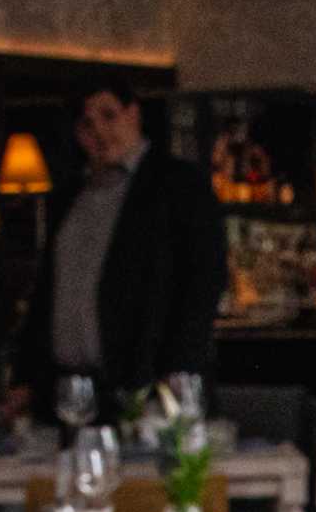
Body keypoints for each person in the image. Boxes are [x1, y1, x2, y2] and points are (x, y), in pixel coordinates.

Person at [12, 79, 229, 419]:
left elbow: (205, 280)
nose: (99, 132)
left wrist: (179, 372)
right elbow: (47, 293)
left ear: (133, 114)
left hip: (149, 386)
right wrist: (23, 377)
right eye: (87, 124)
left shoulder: (177, 184)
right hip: (70, 389)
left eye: (109, 116)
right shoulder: (69, 195)